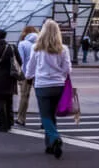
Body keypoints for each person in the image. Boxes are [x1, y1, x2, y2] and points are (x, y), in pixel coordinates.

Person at [26, 20, 71, 158]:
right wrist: (60, 76)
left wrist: (28, 77)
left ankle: (55, 138)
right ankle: (50, 145)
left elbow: (30, 67)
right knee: (51, 115)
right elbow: (67, 69)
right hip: (58, 85)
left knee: (45, 116)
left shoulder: (36, 48)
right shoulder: (63, 49)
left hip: (42, 85)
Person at [16, 26, 39, 126]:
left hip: (26, 74)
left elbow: (20, 60)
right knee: (41, 98)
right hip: (39, 74)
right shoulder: (41, 43)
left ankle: (21, 119)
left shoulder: (22, 44)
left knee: (24, 96)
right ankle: (45, 120)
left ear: (25, 33)